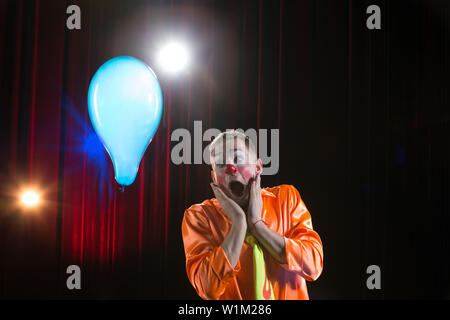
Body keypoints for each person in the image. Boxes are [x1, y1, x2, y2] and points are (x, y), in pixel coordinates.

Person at [181, 130, 323, 300]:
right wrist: (239, 225)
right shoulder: (199, 217)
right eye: (219, 163)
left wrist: (257, 226)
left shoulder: (286, 199)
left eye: (237, 159)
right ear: (214, 178)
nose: (230, 169)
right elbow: (207, 287)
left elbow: (313, 266)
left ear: (258, 167)